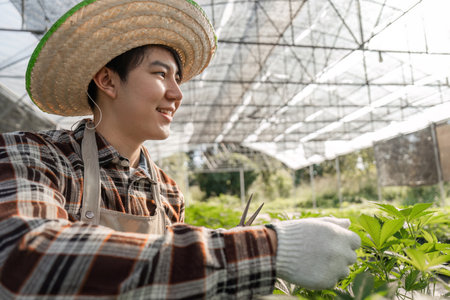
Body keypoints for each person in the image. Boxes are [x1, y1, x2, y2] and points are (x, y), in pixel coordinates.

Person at [0, 0, 361, 299]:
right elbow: (26, 257)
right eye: (160, 74)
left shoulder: (168, 192)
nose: (177, 93)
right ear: (107, 79)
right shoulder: (34, 157)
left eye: (178, 78)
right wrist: (268, 249)